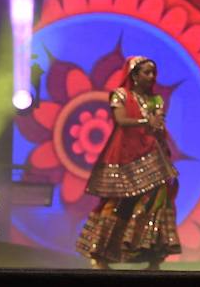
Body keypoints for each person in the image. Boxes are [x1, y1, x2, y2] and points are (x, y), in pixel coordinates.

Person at [76, 56, 179, 269]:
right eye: (146, 72)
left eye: (153, 73)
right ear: (134, 74)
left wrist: (157, 125)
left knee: (157, 202)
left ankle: (154, 257)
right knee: (117, 204)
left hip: (153, 155)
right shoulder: (120, 95)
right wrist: (146, 121)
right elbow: (121, 121)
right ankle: (98, 254)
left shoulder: (155, 99)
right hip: (124, 156)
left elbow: (158, 122)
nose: (152, 77)